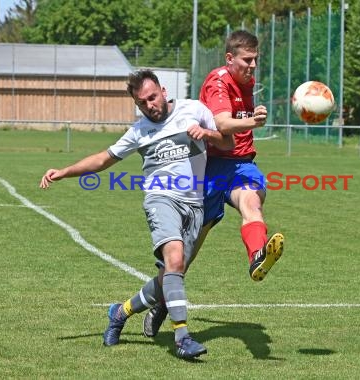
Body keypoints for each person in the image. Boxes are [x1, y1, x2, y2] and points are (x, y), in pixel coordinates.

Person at [39, 69, 234, 359]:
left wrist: (207, 133)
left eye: (152, 98)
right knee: (175, 260)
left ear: (163, 91)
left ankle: (121, 312)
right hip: (161, 199)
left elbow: (227, 143)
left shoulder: (194, 109)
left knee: (168, 277)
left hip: (194, 205)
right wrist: (63, 172)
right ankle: (182, 338)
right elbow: (103, 159)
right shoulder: (139, 131)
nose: (149, 105)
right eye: (142, 103)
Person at [142, 30, 284, 338]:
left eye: (256, 60)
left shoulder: (247, 80)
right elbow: (221, 124)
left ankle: (258, 256)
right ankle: (160, 304)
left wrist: (252, 116)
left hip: (241, 164)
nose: (253, 66)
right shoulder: (218, 81)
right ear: (230, 59)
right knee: (185, 256)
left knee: (252, 204)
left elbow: (236, 127)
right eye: (247, 60)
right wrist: (253, 121)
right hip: (207, 169)